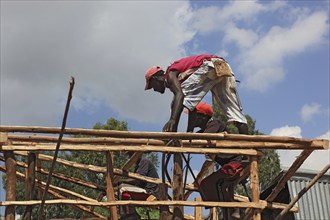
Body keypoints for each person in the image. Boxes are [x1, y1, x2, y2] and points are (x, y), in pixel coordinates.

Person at [145, 54, 248, 135]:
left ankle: (172, 134)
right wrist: (190, 132)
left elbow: (180, 96)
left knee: (178, 100)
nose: (154, 89)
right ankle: (247, 151)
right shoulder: (180, 80)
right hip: (223, 66)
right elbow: (192, 107)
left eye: (152, 86)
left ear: (155, 79)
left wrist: (172, 120)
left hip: (209, 66)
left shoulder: (170, 75)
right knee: (235, 113)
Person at [186, 102, 244, 219]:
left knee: (209, 184)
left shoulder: (214, 123)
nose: (192, 119)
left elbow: (202, 138)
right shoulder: (205, 131)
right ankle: (229, 212)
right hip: (229, 165)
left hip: (235, 163)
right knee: (221, 187)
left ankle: (234, 208)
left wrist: (192, 138)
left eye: (194, 116)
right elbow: (194, 142)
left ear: (203, 117)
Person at [117, 153, 160, 220]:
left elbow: (138, 179)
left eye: (131, 156)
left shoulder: (144, 161)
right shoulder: (138, 166)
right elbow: (136, 183)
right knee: (121, 191)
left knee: (122, 188)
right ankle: (131, 213)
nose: (130, 158)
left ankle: (127, 214)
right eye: (130, 156)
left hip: (150, 192)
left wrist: (121, 181)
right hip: (145, 191)